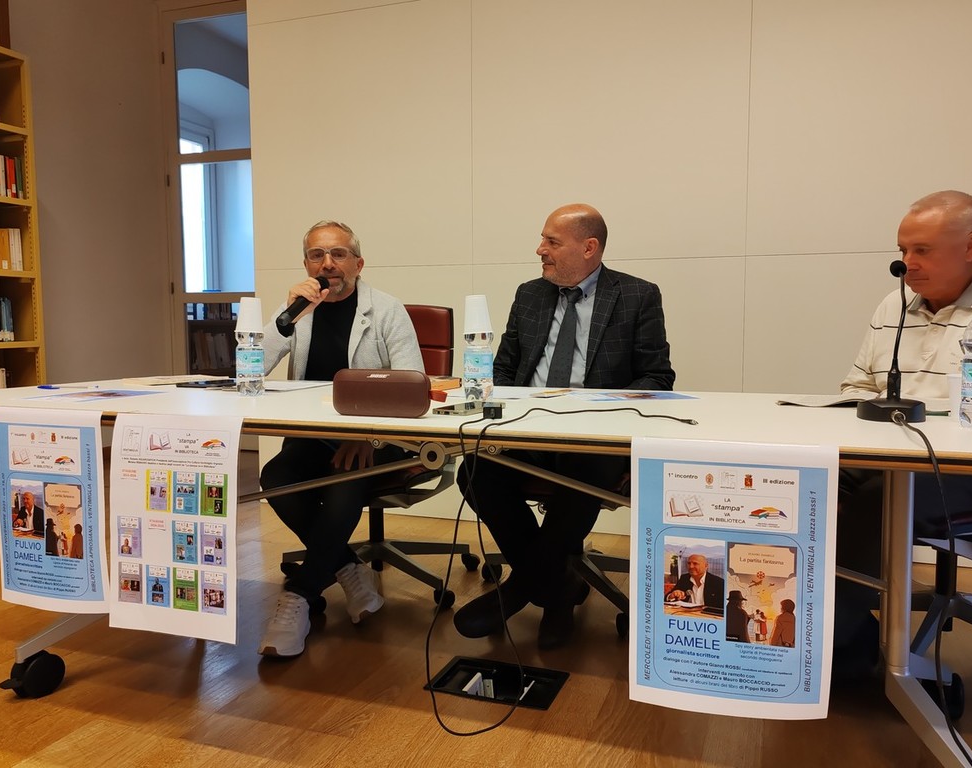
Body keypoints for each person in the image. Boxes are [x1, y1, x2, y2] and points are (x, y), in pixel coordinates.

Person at [453, 203, 676, 650]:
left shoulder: (637, 295)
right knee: (474, 472)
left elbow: (657, 378)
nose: (540, 250)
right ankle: (558, 585)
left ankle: (527, 590)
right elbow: (506, 369)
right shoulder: (530, 294)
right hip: (527, 431)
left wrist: (594, 410)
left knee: (584, 473)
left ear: (589, 248)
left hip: (592, 439)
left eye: (551, 242)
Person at [838, 190, 972, 665]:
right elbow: (857, 385)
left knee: (880, 500)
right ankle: (836, 630)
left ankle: (842, 652)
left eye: (922, 250)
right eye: (902, 249)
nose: (906, 264)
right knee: (806, 483)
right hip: (888, 456)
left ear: (970, 246)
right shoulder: (892, 306)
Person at [258, 219, 424, 658]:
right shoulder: (297, 311)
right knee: (275, 478)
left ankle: (300, 594)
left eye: (338, 254)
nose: (327, 264)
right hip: (313, 438)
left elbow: (412, 385)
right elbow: (249, 369)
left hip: (378, 438)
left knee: (343, 481)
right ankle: (348, 568)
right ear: (306, 264)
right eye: (316, 255)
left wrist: (368, 436)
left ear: (358, 264)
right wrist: (286, 319)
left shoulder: (386, 310)